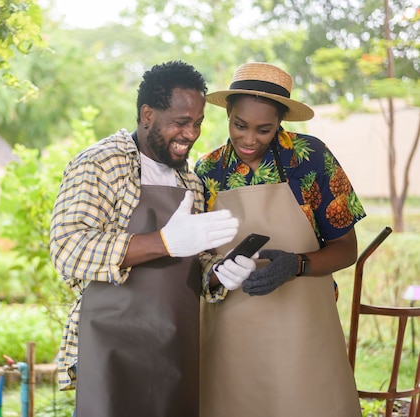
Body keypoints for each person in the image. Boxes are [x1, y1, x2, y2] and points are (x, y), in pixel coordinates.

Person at [49, 61, 257, 417]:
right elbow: (69, 249)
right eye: (180, 122)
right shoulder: (99, 165)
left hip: (175, 348)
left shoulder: (190, 181)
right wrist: (162, 242)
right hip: (111, 347)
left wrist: (221, 272)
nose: (191, 134)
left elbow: (195, 261)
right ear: (147, 114)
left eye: (197, 123)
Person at [195, 62, 366, 417]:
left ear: (280, 123)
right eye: (239, 125)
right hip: (231, 335)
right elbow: (198, 259)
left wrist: (297, 264)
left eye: (264, 129)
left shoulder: (312, 158)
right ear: (228, 112)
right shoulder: (208, 170)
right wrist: (217, 269)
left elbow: (347, 248)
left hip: (302, 330)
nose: (249, 139)